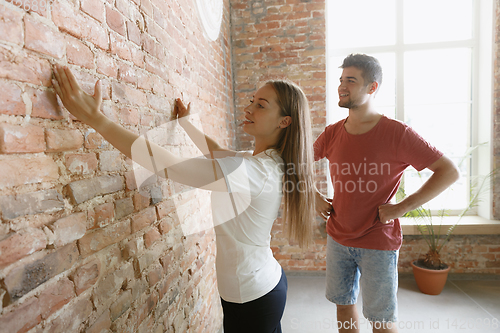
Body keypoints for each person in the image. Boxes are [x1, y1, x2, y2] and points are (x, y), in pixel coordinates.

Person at [51, 64, 316, 333]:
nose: (248, 109)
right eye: (251, 101)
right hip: (264, 285)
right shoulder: (264, 162)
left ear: (284, 121)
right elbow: (218, 152)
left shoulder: (252, 171)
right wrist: (187, 124)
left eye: (261, 105)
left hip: (251, 297)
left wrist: (97, 119)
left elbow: (169, 166)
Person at [314, 54, 459, 333]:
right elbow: (295, 162)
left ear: (372, 88)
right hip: (338, 237)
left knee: (381, 320)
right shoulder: (332, 133)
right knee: (344, 306)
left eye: (351, 81)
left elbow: (449, 171)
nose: (341, 86)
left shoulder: (397, 133)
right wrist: (313, 197)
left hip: (377, 242)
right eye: (341, 80)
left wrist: (402, 207)